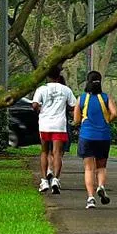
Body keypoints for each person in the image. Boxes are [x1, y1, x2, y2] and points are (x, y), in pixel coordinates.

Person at [73, 70, 117, 209]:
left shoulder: (82, 99)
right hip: (103, 136)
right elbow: (115, 113)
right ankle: (101, 186)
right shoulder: (106, 97)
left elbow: (76, 120)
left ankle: (91, 198)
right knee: (101, 166)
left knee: (88, 168)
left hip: (87, 136)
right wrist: (107, 121)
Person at [32, 67, 76, 195]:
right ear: (58, 76)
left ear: (47, 76)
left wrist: (40, 109)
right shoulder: (66, 90)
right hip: (59, 124)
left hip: (45, 124)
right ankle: (56, 179)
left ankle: (44, 180)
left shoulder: (42, 89)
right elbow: (73, 105)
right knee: (57, 152)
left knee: (44, 151)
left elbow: (34, 104)